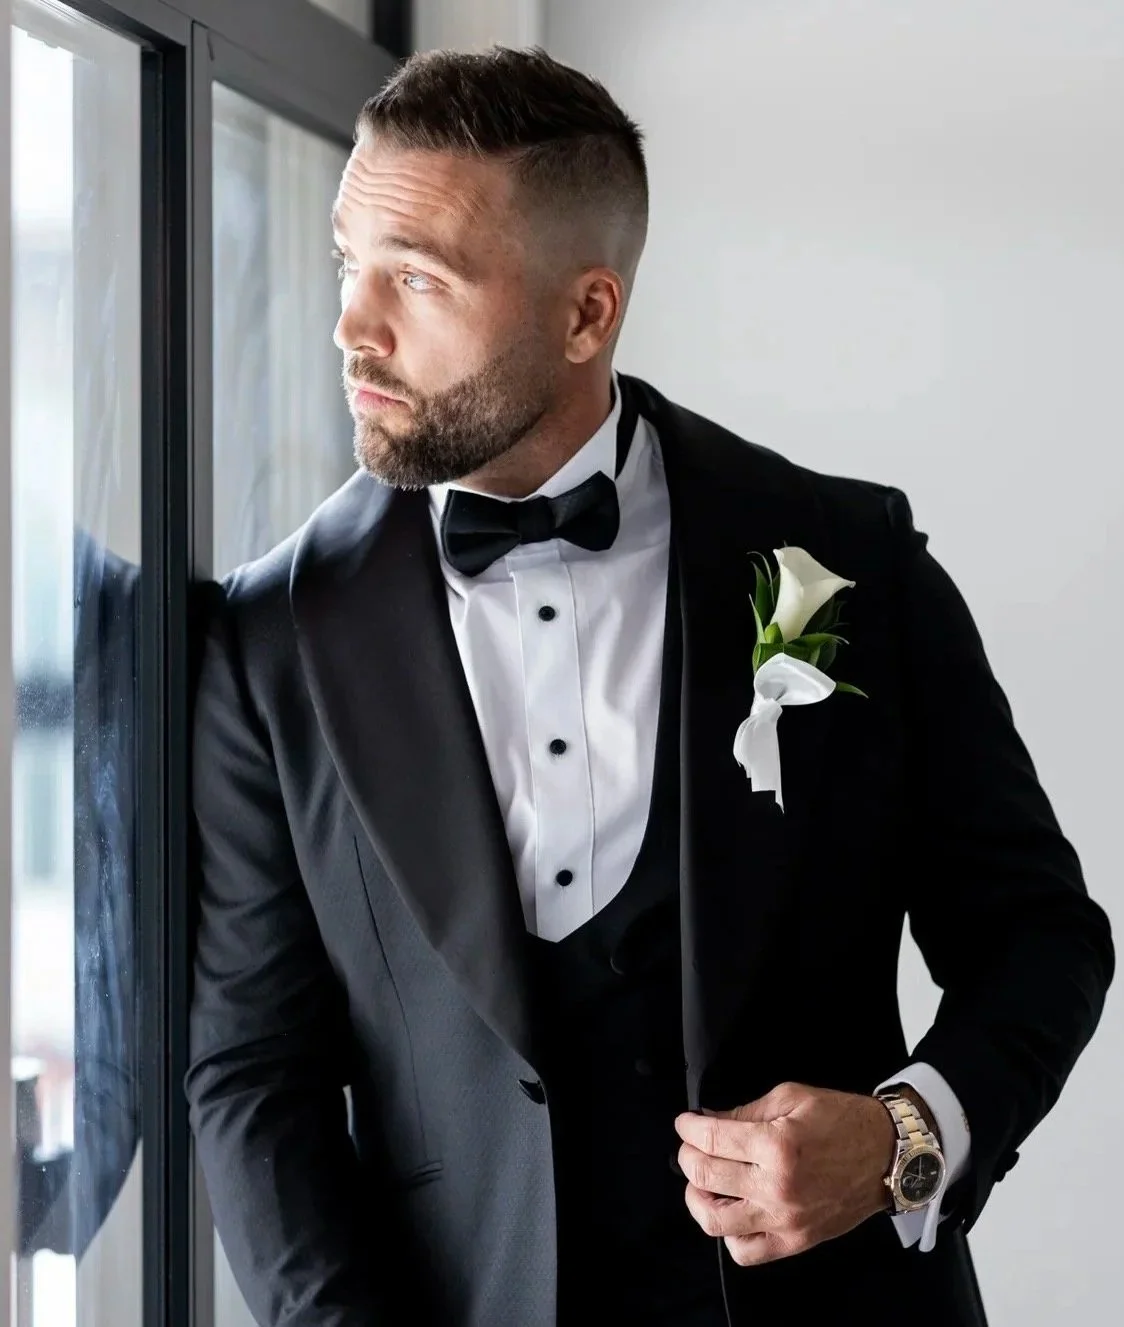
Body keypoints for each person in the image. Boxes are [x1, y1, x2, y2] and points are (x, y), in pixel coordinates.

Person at [185, 45, 1114, 1327]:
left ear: (585, 313)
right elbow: (251, 1075)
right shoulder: (270, 633)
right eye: (352, 262)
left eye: (417, 276)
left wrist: (906, 1136)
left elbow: (1039, 936)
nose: (354, 323)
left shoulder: (849, 564)